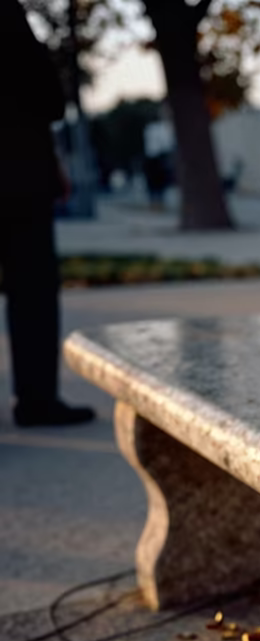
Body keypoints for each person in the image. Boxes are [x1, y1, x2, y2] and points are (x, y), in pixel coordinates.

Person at [0, 0, 94, 427]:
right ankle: (36, 399)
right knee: (32, 292)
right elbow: (50, 100)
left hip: (22, 171)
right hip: (19, 175)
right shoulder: (10, 19)